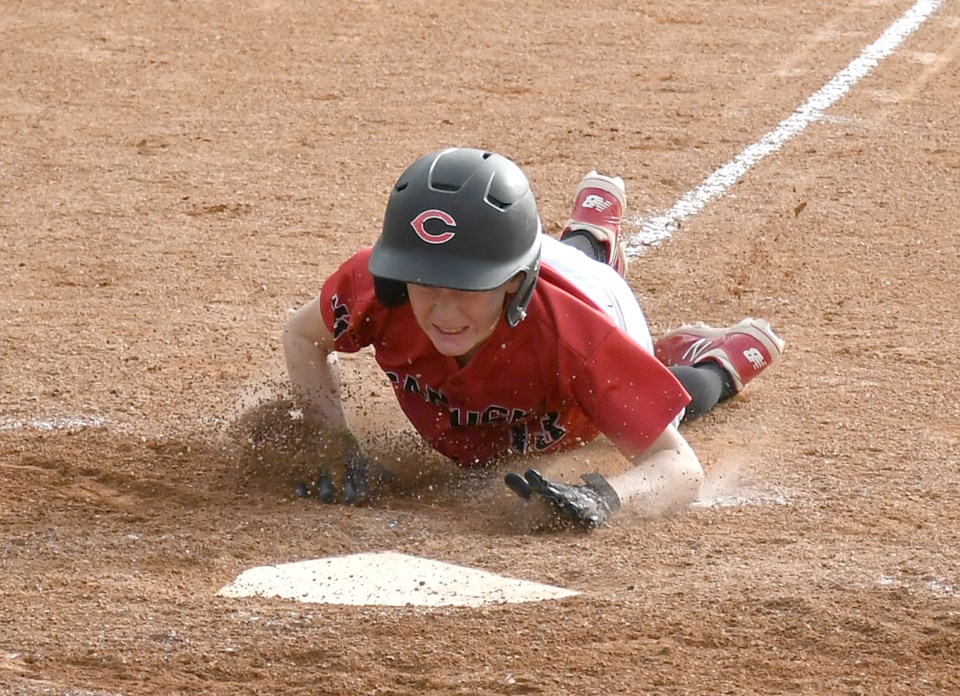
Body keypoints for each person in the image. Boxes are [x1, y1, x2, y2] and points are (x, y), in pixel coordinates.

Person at [282, 147, 784, 531]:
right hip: (529, 269)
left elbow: (679, 467)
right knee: (549, 268)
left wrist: (605, 498)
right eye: (425, 284)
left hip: (598, 313)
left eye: (467, 289)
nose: (444, 311)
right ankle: (591, 235)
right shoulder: (377, 287)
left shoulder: (578, 340)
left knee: (678, 397)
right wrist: (328, 435)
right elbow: (302, 337)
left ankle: (720, 362)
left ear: (513, 282)